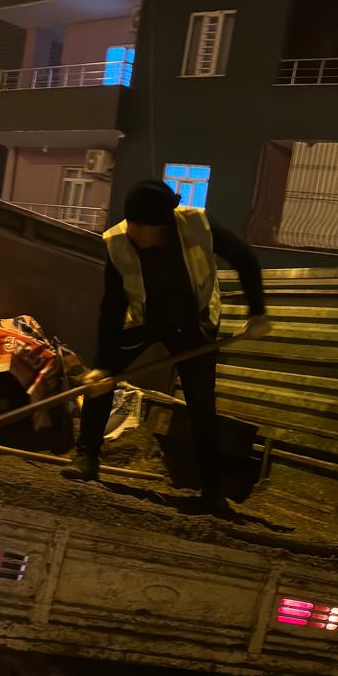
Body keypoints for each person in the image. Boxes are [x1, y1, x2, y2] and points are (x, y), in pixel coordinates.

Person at [73, 179, 270, 510]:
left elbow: (245, 259)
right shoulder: (118, 242)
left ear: (160, 226)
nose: (131, 231)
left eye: (139, 226)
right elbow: (111, 307)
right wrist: (103, 365)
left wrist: (258, 312)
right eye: (130, 223)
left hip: (192, 322)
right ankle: (86, 457)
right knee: (102, 379)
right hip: (142, 320)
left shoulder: (197, 225)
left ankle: (212, 489)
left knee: (201, 404)